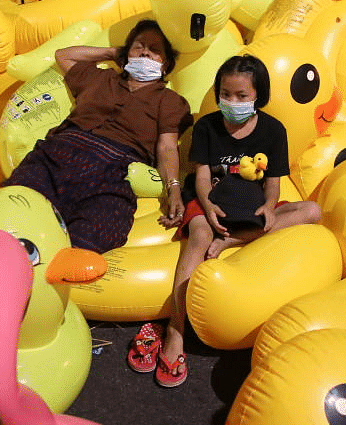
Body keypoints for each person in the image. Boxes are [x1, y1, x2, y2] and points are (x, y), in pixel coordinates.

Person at [127, 55, 321, 387]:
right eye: (225, 94)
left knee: (312, 212)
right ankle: (176, 328)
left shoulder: (274, 131)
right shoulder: (207, 126)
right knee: (200, 236)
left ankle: (231, 240)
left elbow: (272, 182)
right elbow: (201, 177)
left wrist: (270, 208)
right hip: (209, 197)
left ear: (258, 96)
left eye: (241, 96)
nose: (232, 102)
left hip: (248, 201)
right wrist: (207, 206)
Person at [0, 19, 192, 254]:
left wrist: (174, 189)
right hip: (57, 155)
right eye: (138, 46)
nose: (145, 53)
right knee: (10, 208)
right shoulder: (100, 78)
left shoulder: (169, 101)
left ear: (166, 64)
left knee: (93, 236)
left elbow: (167, 147)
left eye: (155, 49)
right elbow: (63, 56)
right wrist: (111, 52)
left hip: (111, 169)